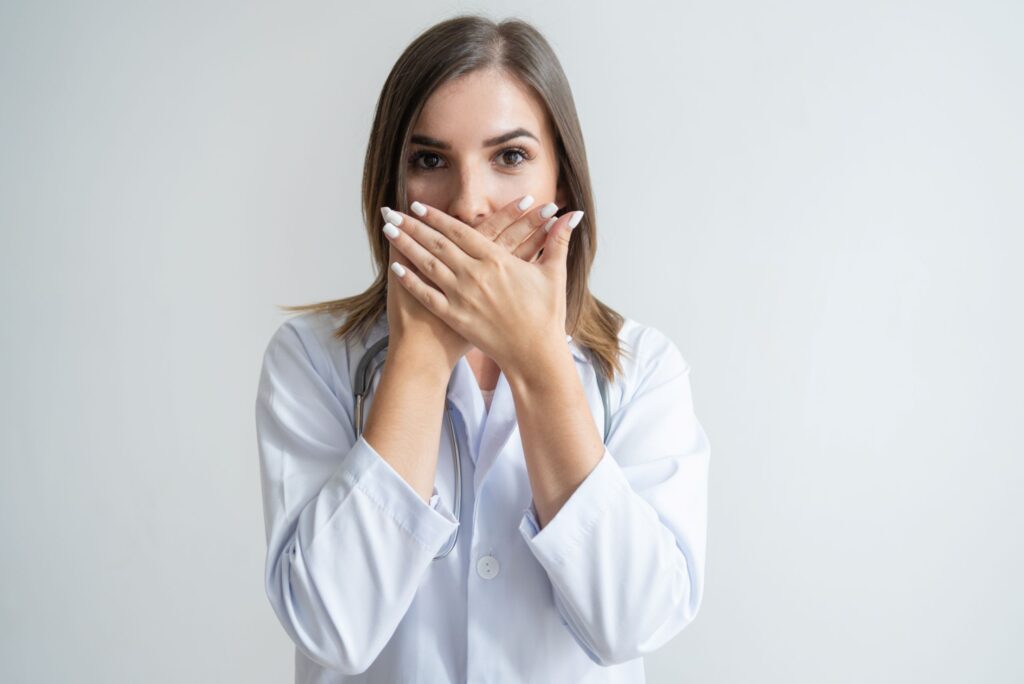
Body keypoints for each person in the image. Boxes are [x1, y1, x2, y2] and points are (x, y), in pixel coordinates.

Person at [255, 14, 711, 683]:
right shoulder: (314, 359)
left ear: (564, 182)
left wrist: (538, 363)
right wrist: (418, 361)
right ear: (394, 186)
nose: (469, 204)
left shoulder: (642, 370)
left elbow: (631, 624)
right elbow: (332, 628)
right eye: (431, 161)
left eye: (510, 157)